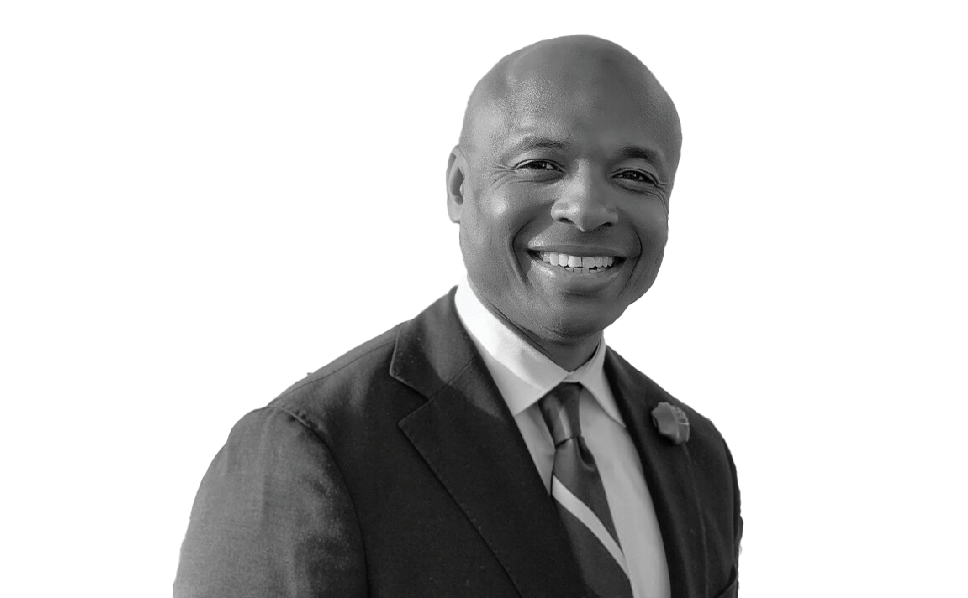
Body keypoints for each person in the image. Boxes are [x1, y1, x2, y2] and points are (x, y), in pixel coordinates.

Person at [175, 34, 742, 598]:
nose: (588, 209)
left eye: (636, 176)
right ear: (458, 188)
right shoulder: (311, 452)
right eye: (541, 165)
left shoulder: (699, 458)